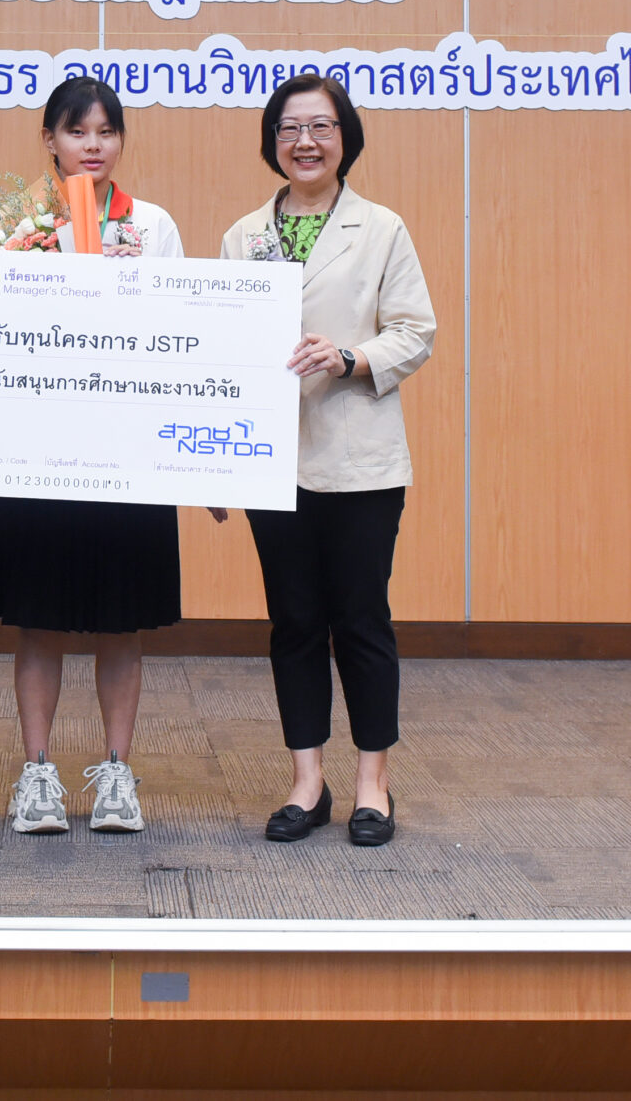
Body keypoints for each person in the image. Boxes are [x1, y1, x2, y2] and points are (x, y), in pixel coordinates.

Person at [212, 74, 435, 847]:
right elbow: (221, 352)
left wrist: (349, 356)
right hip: (272, 460)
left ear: (346, 137)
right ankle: (307, 779)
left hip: (360, 459)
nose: (304, 141)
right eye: (289, 127)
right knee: (294, 621)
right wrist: (218, 465)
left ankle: (374, 781)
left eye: (320, 126)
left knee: (361, 618)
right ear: (272, 140)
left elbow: (415, 330)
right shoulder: (243, 235)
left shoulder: (382, 228)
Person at [0, 77, 185, 837]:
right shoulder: (5, 223)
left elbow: (181, 336)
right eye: (76, 131)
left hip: (127, 451)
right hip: (36, 448)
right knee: (39, 619)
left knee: (123, 622)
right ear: (49, 139)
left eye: (106, 132)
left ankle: (118, 771)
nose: (93, 145)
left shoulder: (151, 225)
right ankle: (37, 772)